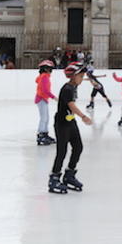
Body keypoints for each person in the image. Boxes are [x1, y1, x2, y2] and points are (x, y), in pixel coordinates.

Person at [49, 62, 92, 194]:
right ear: (73, 76)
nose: (82, 78)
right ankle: (54, 178)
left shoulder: (73, 86)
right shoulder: (67, 88)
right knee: (62, 151)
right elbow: (71, 105)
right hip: (62, 123)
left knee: (78, 147)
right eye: (81, 75)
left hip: (70, 122)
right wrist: (83, 116)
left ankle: (69, 175)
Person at [34, 60, 57, 146]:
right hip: (41, 99)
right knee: (44, 118)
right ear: (45, 69)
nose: (51, 70)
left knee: (46, 118)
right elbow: (45, 90)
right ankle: (41, 135)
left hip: (42, 99)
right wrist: (54, 97)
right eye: (49, 68)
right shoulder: (44, 77)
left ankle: (44, 133)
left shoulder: (44, 77)